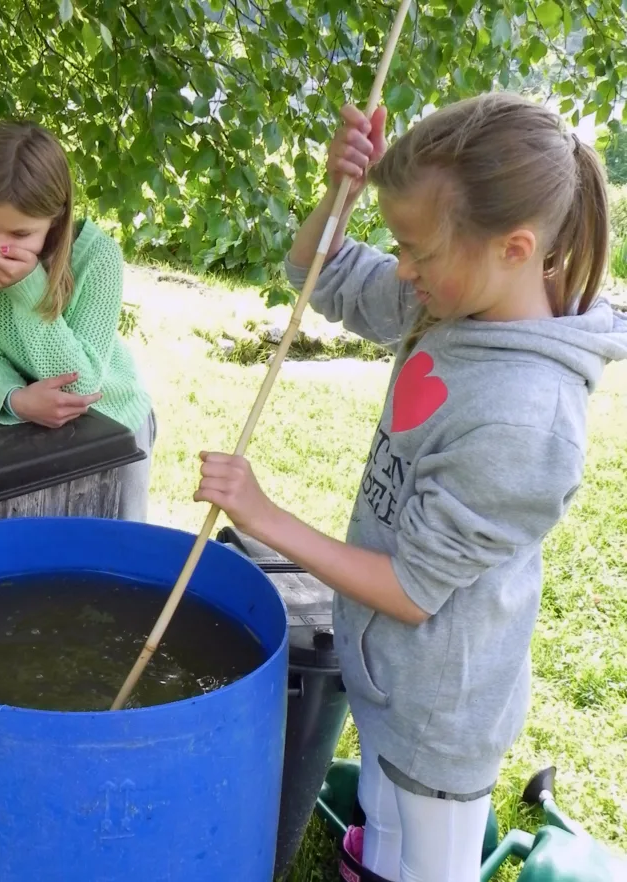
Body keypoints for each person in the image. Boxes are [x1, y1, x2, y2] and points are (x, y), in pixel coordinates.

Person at [194, 93, 627, 882]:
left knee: (428, 861)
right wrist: (340, 191)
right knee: (388, 823)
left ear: (515, 247)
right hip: (392, 676)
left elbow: (413, 590)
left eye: (415, 252)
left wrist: (264, 516)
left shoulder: (526, 424)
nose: (399, 269)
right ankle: (377, 853)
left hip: (440, 712)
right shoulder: (454, 295)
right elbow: (314, 272)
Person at [0, 121, 155, 522]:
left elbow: (82, 386)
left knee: (115, 553)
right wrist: (14, 399)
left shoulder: (97, 258)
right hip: (27, 422)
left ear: (56, 220)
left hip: (112, 428)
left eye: (21, 232)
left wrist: (28, 291)